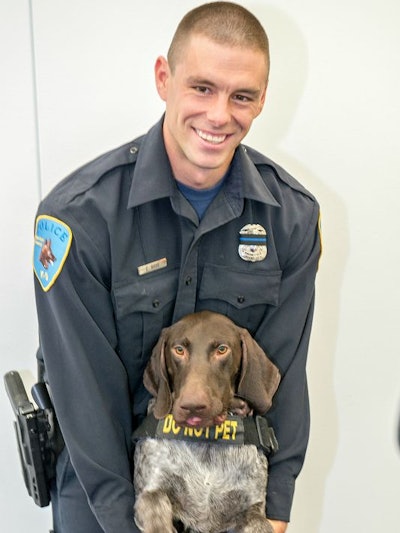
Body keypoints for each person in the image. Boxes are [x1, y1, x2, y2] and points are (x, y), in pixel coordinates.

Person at [33, 2, 321, 532]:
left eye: (242, 96)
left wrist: (275, 510)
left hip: (231, 489)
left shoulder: (292, 219)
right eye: (202, 87)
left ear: (262, 100)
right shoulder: (78, 219)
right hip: (110, 493)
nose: (219, 115)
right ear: (164, 79)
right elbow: (85, 402)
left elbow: (284, 374)